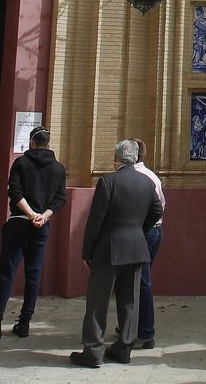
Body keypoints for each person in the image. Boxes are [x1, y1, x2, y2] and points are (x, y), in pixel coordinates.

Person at [72, 140, 162, 369]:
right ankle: (124, 348)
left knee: (97, 301)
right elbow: (157, 210)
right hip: (136, 248)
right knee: (129, 300)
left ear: (116, 159)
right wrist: (138, 229)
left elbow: (96, 219)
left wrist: (87, 250)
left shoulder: (108, 181)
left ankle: (93, 351)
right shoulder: (147, 182)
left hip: (109, 249)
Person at [0, 127, 66, 339]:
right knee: (34, 275)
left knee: (7, 273)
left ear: (32, 142)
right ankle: (24, 323)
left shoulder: (21, 163)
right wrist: (43, 216)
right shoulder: (59, 169)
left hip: (19, 223)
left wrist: (30, 214)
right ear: (48, 143)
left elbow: (14, 192)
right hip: (41, 227)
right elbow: (60, 199)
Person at [127, 139, 165, 349]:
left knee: (141, 281)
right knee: (139, 280)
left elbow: (157, 208)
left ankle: (146, 333)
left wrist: (141, 227)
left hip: (144, 232)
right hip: (155, 231)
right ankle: (132, 326)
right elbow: (161, 206)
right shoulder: (151, 176)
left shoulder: (136, 177)